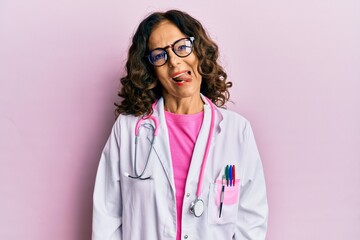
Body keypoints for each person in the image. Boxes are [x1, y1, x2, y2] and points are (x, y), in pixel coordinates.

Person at [92, 9, 268, 240]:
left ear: (199, 52)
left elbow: (251, 222)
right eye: (159, 55)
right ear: (151, 69)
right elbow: (106, 218)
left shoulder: (237, 131)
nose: (174, 61)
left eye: (182, 46)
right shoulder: (127, 130)